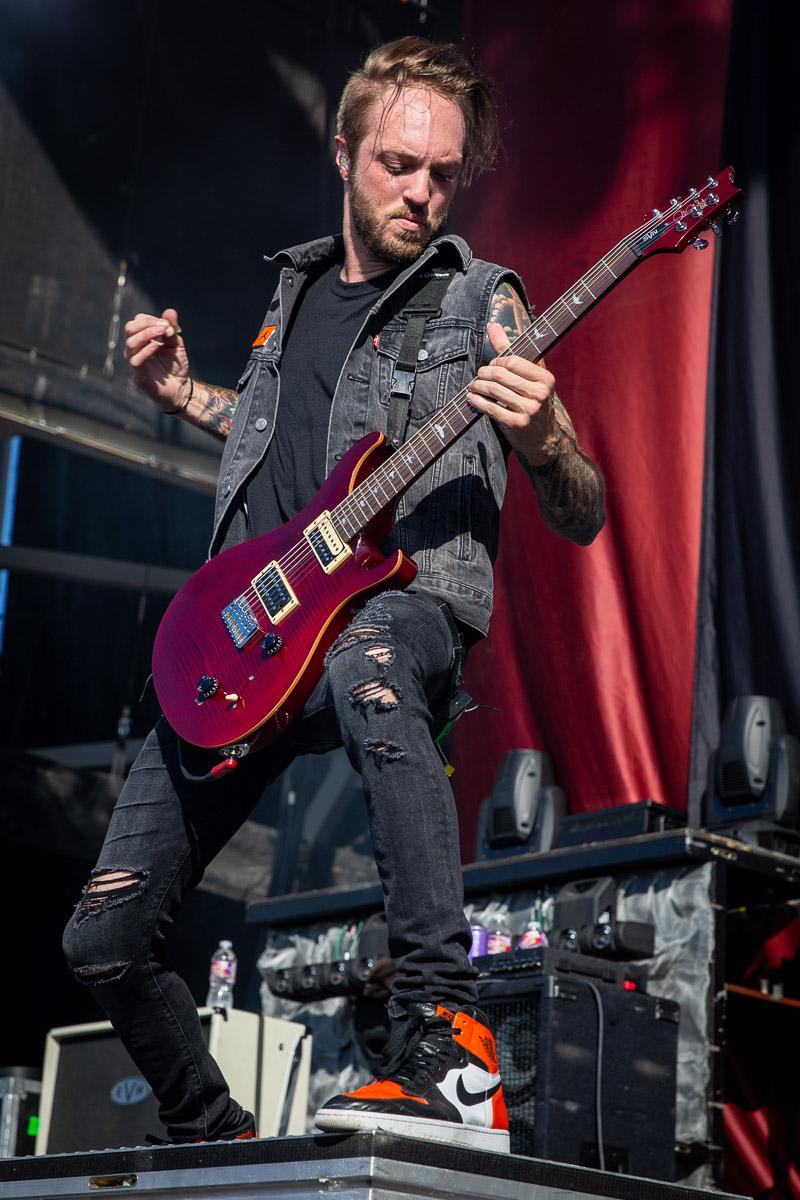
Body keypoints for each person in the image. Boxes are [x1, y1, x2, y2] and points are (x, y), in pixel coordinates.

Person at [63, 37, 605, 1153]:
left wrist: (546, 436)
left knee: (367, 654)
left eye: (442, 174)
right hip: (246, 636)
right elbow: (287, 456)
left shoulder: (474, 302)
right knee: (102, 936)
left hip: (395, 609)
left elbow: (582, 508)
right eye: (398, 164)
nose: (420, 191)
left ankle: (447, 1042)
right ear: (344, 153)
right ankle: (211, 1138)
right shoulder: (290, 289)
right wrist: (181, 395)